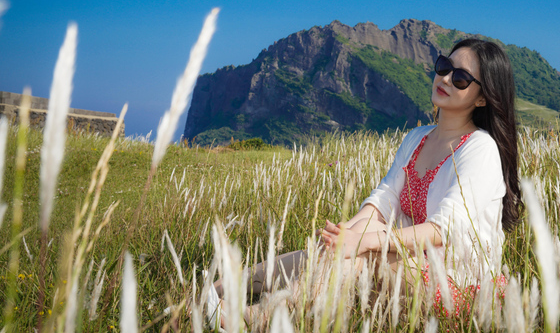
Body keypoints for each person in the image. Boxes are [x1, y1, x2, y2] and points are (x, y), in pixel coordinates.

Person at [205, 38, 521, 329]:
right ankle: (214, 290)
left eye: (461, 78)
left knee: (361, 252)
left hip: (457, 284)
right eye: (443, 67)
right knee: (328, 250)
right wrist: (348, 232)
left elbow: (443, 230)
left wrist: (365, 242)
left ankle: (253, 320)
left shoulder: (480, 148)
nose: (446, 78)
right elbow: (383, 202)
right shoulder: (417, 138)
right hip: (406, 263)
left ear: (482, 99)